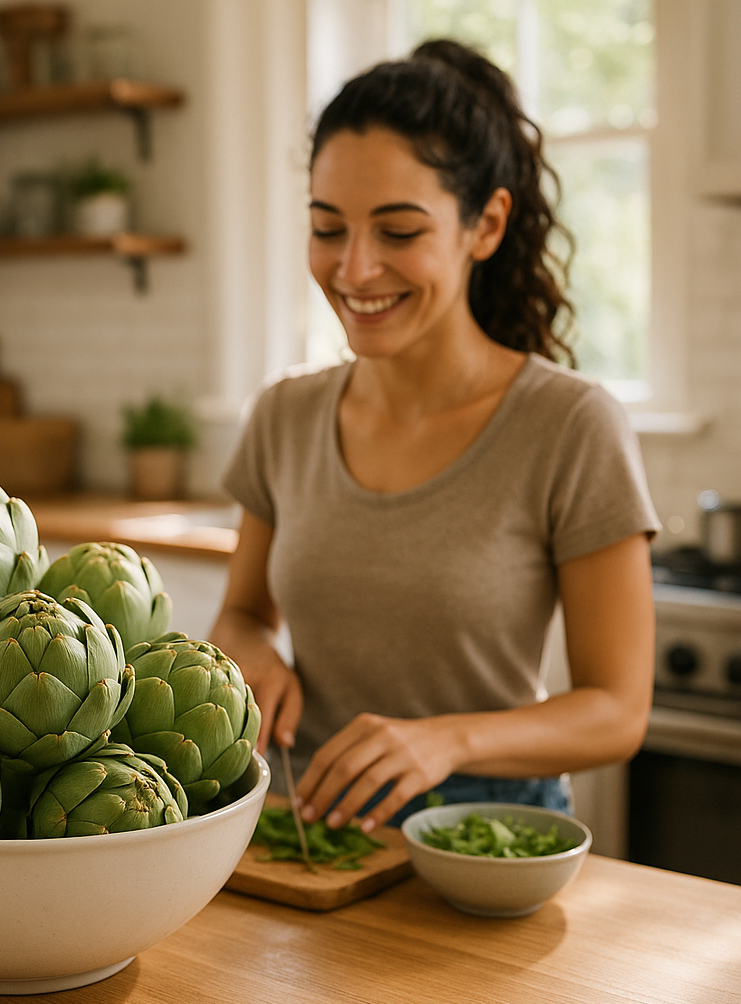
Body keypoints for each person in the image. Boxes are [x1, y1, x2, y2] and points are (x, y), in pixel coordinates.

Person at [208, 38, 661, 834]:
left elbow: (616, 711)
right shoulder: (284, 415)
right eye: (327, 227)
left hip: (484, 841)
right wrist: (250, 655)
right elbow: (241, 615)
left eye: (398, 232)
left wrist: (447, 741)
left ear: (486, 225)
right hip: (303, 830)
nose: (354, 269)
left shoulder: (570, 425)